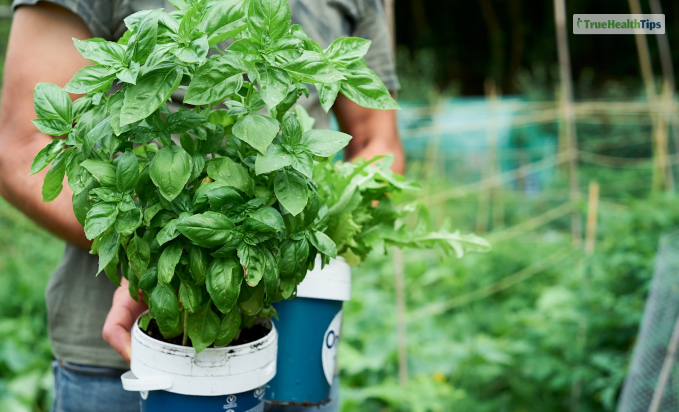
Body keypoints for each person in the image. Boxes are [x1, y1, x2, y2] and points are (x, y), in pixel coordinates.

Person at [0, 1, 404, 411]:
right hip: (123, 358)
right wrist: (148, 256)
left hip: (293, 338)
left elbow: (377, 142)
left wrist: (295, 246)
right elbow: (22, 148)